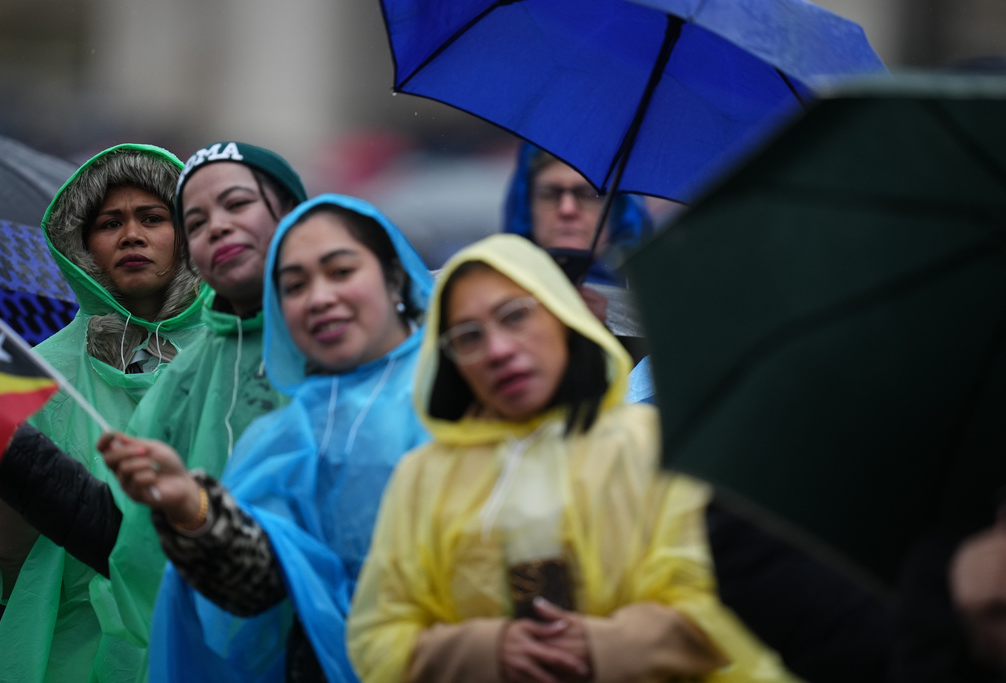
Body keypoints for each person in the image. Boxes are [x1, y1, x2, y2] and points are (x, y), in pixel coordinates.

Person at [347, 233, 797, 683]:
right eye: (468, 337)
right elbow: (377, 637)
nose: (499, 350)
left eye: (516, 316)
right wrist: (487, 651)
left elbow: (722, 600)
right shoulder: (424, 478)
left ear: (561, 313)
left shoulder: (651, 447)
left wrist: (607, 647)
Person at [100, 194, 433, 682]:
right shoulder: (289, 432)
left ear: (394, 276)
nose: (319, 298)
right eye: (294, 286)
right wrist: (191, 506)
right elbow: (258, 583)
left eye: (340, 271)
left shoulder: (464, 386)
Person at [0, 144, 204, 682]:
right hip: (71, 652)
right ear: (82, 245)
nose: (132, 235)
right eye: (110, 222)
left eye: (153, 218)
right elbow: (6, 553)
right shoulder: (35, 372)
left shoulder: (239, 355)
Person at [89, 141, 309, 676]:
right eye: (197, 219)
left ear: (292, 214)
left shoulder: (339, 338)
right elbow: (138, 553)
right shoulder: (183, 378)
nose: (217, 227)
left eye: (237, 204)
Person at [503, 142, 652, 334]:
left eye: (589, 195)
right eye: (549, 194)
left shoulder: (655, 304)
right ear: (525, 206)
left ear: (618, 210)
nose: (567, 209)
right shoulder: (492, 294)